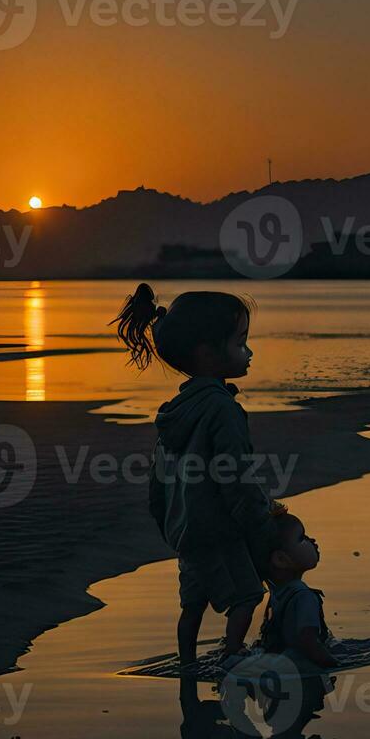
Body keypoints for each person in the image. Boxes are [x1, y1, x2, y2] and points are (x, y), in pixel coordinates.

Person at [112, 284, 277, 669]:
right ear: (207, 353)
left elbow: (158, 480)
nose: (249, 352)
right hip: (218, 530)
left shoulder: (176, 410)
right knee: (246, 596)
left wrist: (170, 525)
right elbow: (236, 477)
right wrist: (261, 528)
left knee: (193, 604)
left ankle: (187, 667)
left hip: (185, 533)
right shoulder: (221, 409)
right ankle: (233, 658)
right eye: (241, 343)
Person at [258, 510, 338, 671]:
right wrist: (334, 665)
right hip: (301, 668)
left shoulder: (276, 596)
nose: (312, 540)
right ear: (281, 560)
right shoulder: (304, 597)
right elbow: (307, 641)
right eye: (302, 538)